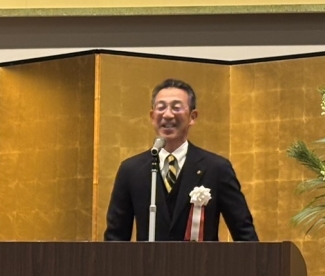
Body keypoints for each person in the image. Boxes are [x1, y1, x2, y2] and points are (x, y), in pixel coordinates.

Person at [104, 78, 258, 242]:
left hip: (202, 259)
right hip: (147, 259)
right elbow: (115, 238)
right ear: (152, 116)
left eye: (176, 107)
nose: (167, 114)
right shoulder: (131, 170)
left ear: (193, 116)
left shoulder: (216, 168)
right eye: (161, 108)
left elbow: (244, 234)